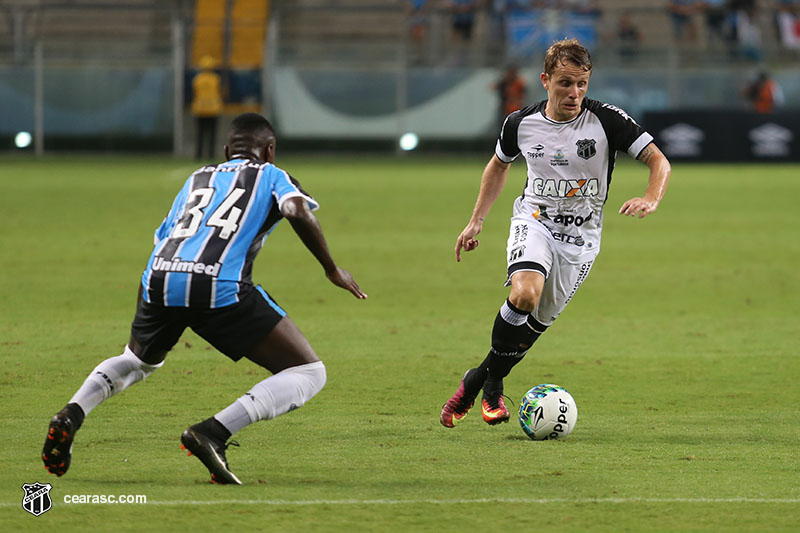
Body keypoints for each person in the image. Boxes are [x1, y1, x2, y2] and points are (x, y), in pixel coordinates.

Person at [42, 113, 367, 484]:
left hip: (160, 276)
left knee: (136, 361)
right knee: (308, 372)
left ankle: (71, 414)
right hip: (217, 284)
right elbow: (295, 208)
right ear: (270, 151)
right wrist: (331, 268)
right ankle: (212, 432)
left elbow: (162, 237)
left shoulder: (196, 177)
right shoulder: (272, 174)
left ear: (227, 150)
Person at [441, 39, 671, 428]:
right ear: (545, 80)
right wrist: (476, 219)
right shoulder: (520, 123)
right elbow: (499, 165)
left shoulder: (606, 120)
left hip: (581, 240)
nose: (575, 93)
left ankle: (479, 377)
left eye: (582, 84)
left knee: (531, 327)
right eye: (566, 83)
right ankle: (492, 386)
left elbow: (658, 160)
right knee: (525, 294)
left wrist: (651, 198)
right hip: (535, 220)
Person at [191, 56, 224, 160]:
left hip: (200, 109)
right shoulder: (216, 79)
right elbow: (220, 92)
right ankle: (211, 154)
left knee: (200, 134)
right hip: (213, 109)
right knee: (212, 134)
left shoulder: (197, 79)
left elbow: (194, 93)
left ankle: (198, 154)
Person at [494, 64, 526, 129]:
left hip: (514, 106)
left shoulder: (518, 82)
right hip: (505, 107)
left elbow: (522, 93)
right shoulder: (505, 82)